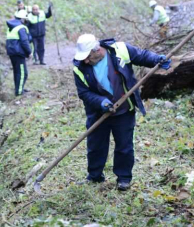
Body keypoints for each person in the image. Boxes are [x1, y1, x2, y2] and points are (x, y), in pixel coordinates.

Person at [72, 34, 171, 191]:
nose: (85, 60)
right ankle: (95, 176)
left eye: (88, 56)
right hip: (98, 112)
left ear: (97, 49)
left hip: (124, 108)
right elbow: (83, 93)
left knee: (124, 145)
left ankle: (124, 178)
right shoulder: (79, 67)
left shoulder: (120, 50)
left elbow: (142, 56)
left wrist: (157, 59)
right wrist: (100, 102)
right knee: (95, 145)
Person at [6, 10, 32, 96]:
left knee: (17, 72)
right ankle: (19, 92)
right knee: (22, 73)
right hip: (18, 53)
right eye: (25, 19)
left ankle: (19, 88)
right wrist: (29, 52)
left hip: (12, 53)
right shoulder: (21, 28)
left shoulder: (11, 27)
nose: (26, 21)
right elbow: (24, 41)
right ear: (22, 19)